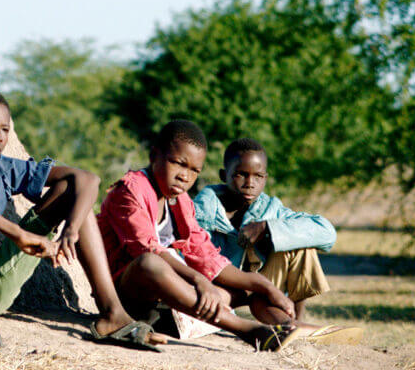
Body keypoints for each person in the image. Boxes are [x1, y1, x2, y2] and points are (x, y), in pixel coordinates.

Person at [0, 86, 167, 351]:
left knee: (73, 193)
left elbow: (88, 179)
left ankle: (113, 314)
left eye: (5, 129)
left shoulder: (2, 168)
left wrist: (71, 231)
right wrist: (17, 234)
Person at [97, 120, 301, 352]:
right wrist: (198, 280)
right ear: (155, 155)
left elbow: (205, 255)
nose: (185, 176)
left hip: (174, 303)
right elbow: (146, 250)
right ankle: (246, 329)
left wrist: (265, 285)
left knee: (253, 287)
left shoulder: (181, 201)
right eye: (178, 164)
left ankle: (287, 326)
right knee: (149, 263)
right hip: (131, 301)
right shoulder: (131, 190)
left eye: (195, 171)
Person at [193, 138, 362, 344]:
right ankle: (295, 329)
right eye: (241, 174)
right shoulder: (201, 212)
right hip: (221, 286)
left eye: (258, 176)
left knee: (300, 243)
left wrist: (267, 228)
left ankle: (294, 326)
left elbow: (327, 233)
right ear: (223, 175)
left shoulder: (269, 209)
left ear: (266, 178)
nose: (250, 183)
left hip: (262, 291)